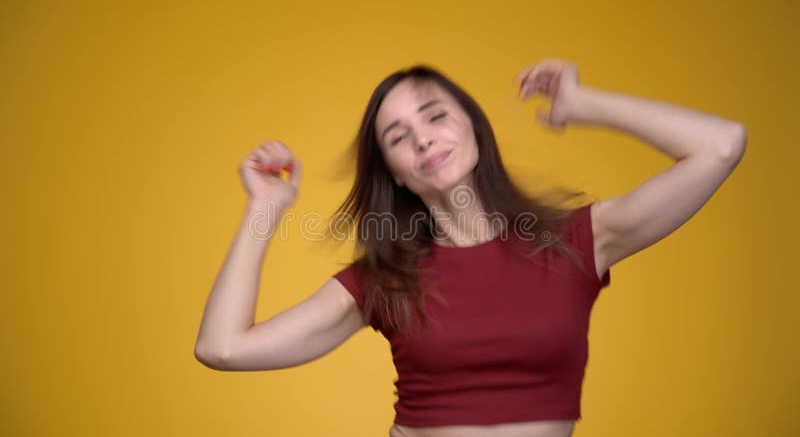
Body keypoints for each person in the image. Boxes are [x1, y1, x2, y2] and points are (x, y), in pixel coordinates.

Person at [194, 58, 747, 437]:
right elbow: (223, 348)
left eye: (435, 117)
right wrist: (265, 206)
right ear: (398, 175)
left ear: (475, 130)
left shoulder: (574, 241)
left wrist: (583, 104)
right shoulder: (381, 281)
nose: (424, 138)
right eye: (398, 137)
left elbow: (720, 145)